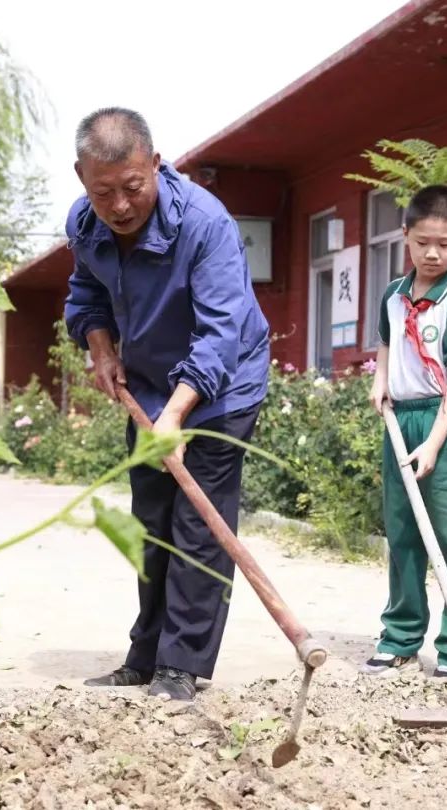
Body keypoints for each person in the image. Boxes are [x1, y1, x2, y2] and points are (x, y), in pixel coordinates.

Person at [64, 108, 270, 701]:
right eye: (104, 193)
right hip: (151, 385)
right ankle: (145, 656)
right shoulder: (85, 223)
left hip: (223, 384)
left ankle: (183, 666)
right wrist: (101, 351)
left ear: (155, 164)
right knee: (151, 521)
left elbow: (220, 334)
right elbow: (86, 295)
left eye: (133, 187)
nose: (121, 206)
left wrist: (176, 415)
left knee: (197, 523)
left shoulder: (206, 224)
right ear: (82, 178)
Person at [364, 184, 447, 678]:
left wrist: (435, 443)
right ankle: (400, 637)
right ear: (405, 237)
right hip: (402, 420)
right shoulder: (393, 296)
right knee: (404, 534)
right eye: (422, 243)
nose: (432, 253)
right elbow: (386, 345)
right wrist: (380, 381)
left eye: (445, 243)